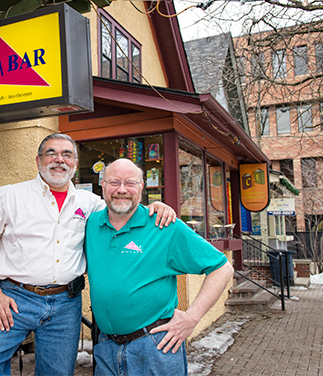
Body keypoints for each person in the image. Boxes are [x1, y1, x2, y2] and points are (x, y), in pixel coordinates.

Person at [0, 133, 176, 376]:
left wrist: (155, 208)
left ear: (74, 162)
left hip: (65, 304)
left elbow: (122, 208)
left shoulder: (91, 203)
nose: (59, 160)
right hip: (14, 299)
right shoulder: (9, 196)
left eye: (67, 154)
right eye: (51, 153)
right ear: (38, 161)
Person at [85, 158, 234, 376]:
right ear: (103, 185)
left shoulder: (163, 226)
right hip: (106, 348)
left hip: (154, 347)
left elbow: (222, 268)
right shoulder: (91, 224)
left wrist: (192, 318)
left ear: (141, 188)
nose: (122, 190)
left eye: (130, 183)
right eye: (115, 182)